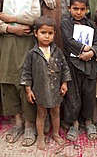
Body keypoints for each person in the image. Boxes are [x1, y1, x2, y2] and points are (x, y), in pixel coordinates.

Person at [0, 0, 41, 147]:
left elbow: (35, 16)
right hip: (8, 43)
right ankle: (18, 123)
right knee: (8, 81)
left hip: (26, 44)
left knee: (24, 81)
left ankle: (29, 125)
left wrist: (13, 18)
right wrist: (13, 28)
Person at [20, 15, 71, 150]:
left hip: (55, 90)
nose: (46, 36)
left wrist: (65, 83)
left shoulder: (57, 51)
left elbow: (65, 67)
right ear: (36, 33)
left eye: (50, 33)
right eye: (43, 33)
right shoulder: (32, 54)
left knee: (56, 113)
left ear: (54, 34)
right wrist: (28, 90)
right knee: (41, 114)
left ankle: (55, 134)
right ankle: (41, 137)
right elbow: (26, 72)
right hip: (40, 91)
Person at [60, 0, 97, 141]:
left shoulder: (92, 25)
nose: (79, 12)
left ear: (87, 10)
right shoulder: (65, 24)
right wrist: (84, 48)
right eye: (75, 9)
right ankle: (74, 123)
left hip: (89, 65)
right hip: (72, 65)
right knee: (73, 95)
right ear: (69, 8)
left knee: (89, 94)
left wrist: (91, 53)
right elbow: (69, 41)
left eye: (82, 9)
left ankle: (88, 121)